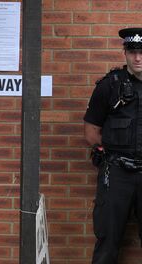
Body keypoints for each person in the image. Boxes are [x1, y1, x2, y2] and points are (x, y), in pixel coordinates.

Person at [84, 27, 142, 263]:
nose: (138, 58)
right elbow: (91, 132)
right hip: (117, 174)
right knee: (107, 242)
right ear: (125, 53)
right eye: (132, 51)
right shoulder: (109, 85)